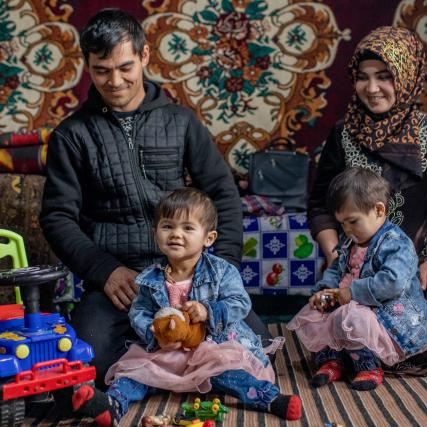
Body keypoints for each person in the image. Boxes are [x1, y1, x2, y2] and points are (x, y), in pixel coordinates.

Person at [39, 8, 272, 390]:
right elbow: (57, 217)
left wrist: (218, 270)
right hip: (122, 284)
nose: (115, 81)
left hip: (192, 277)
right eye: (101, 70)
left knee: (259, 348)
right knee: (91, 364)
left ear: (145, 56)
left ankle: (156, 363)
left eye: (125, 67)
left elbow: (223, 195)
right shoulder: (72, 135)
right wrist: (104, 270)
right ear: (87, 66)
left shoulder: (180, 121)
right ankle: (165, 357)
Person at [70, 188, 301, 426]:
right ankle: (113, 404)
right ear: (155, 233)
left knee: (230, 374)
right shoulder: (149, 278)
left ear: (208, 238)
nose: (176, 234)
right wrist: (155, 333)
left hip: (210, 348)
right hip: (168, 352)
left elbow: (240, 303)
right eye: (167, 226)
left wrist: (208, 311)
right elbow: (138, 312)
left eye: (187, 228)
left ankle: (268, 398)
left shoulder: (221, 271)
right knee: (132, 374)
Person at [307, 26, 427, 375]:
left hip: (423, 271)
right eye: (363, 77)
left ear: (406, 76)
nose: (372, 89)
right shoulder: (344, 134)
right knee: (334, 336)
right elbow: (320, 206)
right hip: (359, 270)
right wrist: (335, 256)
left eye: (385, 77)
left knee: (424, 348)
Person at [288, 168, 427, 390]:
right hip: (348, 299)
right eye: (342, 224)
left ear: (379, 210)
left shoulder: (396, 243)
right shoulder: (351, 240)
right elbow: (337, 268)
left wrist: (351, 293)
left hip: (385, 313)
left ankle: (368, 366)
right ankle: (332, 360)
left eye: (352, 221)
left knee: (354, 316)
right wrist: (325, 290)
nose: (347, 230)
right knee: (317, 310)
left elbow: (393, 282)